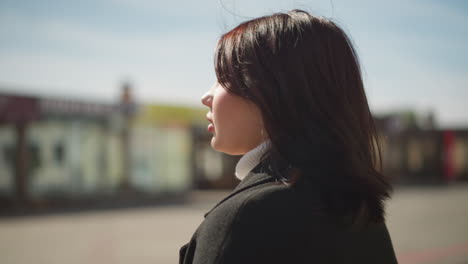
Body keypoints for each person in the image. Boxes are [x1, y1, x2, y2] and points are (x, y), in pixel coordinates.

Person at [179, 9, 398, 264]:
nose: (206, 97)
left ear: (273, 91)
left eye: (222, 79)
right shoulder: (359, 207)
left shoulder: (247, 217)